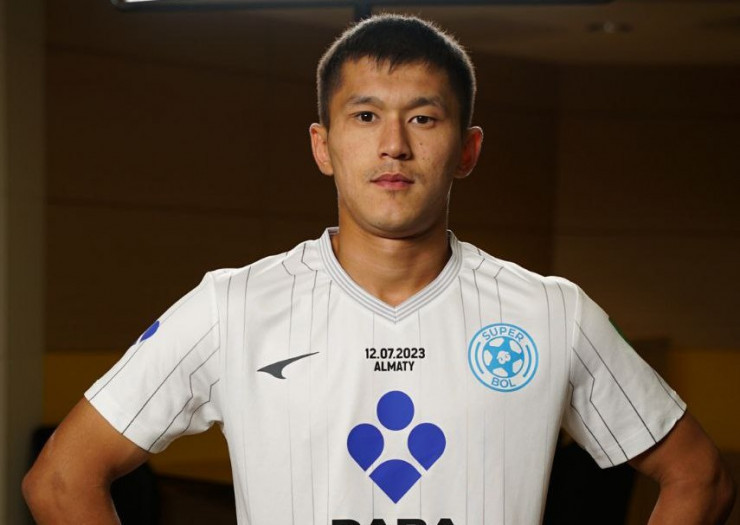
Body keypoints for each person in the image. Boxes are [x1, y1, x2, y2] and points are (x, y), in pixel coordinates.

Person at [23, 14, 734, 525]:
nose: (393, 144)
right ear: (322, 145)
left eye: (423, 118)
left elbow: (699, 478)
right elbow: (59, 480)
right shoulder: (232, 306)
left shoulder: (551, 312)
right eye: (365, 117)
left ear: (467, 149)